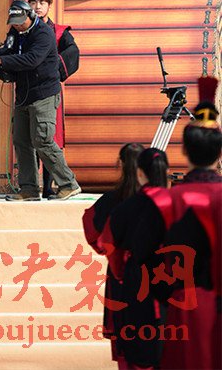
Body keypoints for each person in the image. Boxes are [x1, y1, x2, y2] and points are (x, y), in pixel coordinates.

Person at [142, 85, 221, 370]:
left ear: (185, 149)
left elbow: (148, 259)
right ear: (219, 152)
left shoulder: (165, 201)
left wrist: (165, 296)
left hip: (184, 306)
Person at [0, 0, 81, 200]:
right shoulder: (15, 33)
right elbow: (9, 52)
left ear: (30, 16)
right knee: (21, 141)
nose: (18, 26)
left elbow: (32, 59)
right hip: (24, 96)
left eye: (21, 22)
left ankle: (68, 184)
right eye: (14, 23)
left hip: (44, 94)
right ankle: (28, 189)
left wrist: (1, 60)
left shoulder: (44, 33)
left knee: (42, 140)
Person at [103, 147, 170, 370]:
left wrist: (121, 272)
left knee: (139, 347)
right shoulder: (178, 204)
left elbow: (109, 246)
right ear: (165, 172)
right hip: (175, 283)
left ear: (139, 172)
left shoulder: (124, 208)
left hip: (137, 282)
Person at [82, 143, 144, 366]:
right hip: (154, 275)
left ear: (120, 164)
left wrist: (112, 252)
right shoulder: (159, 199)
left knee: (125, 343)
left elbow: (93, 231)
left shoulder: (111, 200)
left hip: (121, 274)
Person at [27, 0, 80, 198]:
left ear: (49, 6)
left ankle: (50, 185)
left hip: (48, 91)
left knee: (49, 136)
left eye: (42, 3)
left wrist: (52, 69)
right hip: (27, 90)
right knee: (28, 137)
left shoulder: (59, 32)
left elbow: (73, 53)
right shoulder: (22, 31)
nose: (37, 7)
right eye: (33, 3)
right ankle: (31, 185)